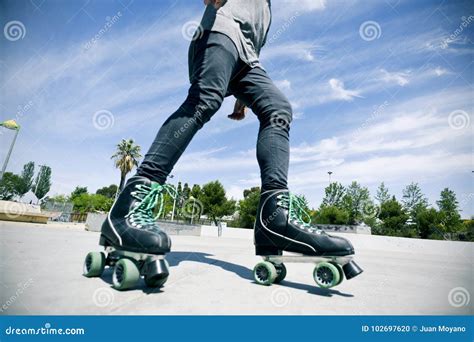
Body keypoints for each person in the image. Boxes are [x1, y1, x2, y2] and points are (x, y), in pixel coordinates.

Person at [99, 0, 360, 281]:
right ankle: (128, 209)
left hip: (247, 59)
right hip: (219, 31)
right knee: (204, 102)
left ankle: (275, 221)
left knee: (278, 110)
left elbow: (252, 39)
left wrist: (240, 96)